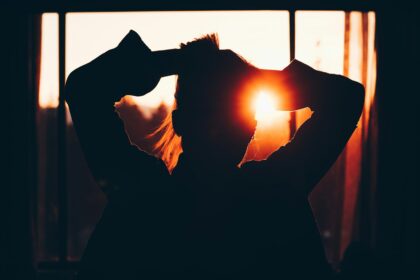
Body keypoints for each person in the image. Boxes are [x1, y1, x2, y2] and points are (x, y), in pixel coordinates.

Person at [65, 30, 364, 279]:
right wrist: (256, 79)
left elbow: (85, 88)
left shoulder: (141, 191)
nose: (221, 129)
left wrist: (179, 61)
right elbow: (344, 98)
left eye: (233, 116)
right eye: (213, 114)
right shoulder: (275, 188)